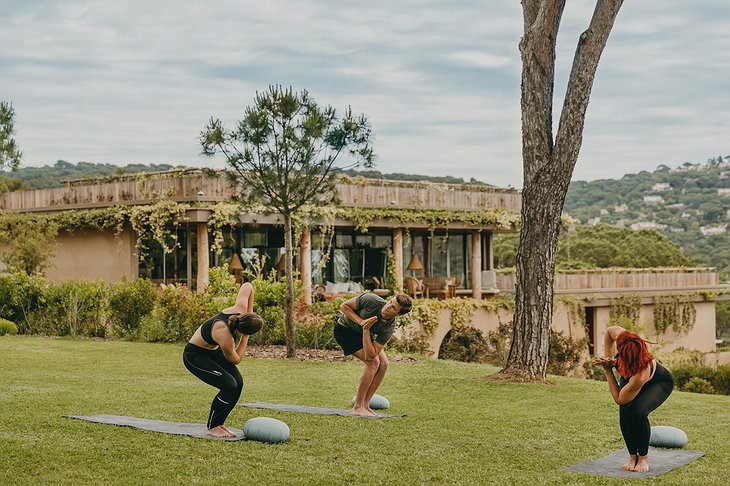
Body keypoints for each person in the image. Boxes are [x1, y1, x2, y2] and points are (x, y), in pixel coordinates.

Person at [183, 281, 264, 438]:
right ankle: (213, 426)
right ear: (245, 331)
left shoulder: (239, 310)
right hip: (194, 356)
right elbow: (236, 359)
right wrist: (246, 338)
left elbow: (248, 286)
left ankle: (220, 424)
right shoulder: (225, 334)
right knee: (229, 385)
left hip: (212, 352)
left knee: (238, 383)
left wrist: (250, 312)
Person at [592, 325, 674, 472]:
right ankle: (632, 457)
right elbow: (610, 331)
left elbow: (619, 398)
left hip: (658, 383)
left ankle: (643, 458)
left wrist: (608, 371)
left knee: (638, 412)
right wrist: (608, 357)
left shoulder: (640, 374)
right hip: (630, 377)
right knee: (625, 412)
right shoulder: (624, 337)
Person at [334, 292, 413, 417]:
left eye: (393, 307)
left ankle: (365, 405)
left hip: (363, 333)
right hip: (345, 331)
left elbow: (371, 354)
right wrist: (361, 322)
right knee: (373, 363)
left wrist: (366, 330)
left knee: (384, 364)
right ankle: (357, 407)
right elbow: (344, 306)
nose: (388, 306)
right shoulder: (371, 300)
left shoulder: (389, 327)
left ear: (397, 314)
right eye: (390, 302)